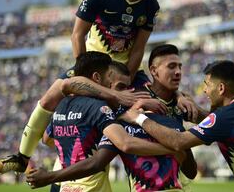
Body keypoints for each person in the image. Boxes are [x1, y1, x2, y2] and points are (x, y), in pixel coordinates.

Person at [0, 0, 181, 174]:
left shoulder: (151, 6)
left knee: (157, 101)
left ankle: (171, 158)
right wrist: (85, 74)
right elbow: (77, 35)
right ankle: (22, 157)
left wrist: (125, 81)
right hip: (93, 66)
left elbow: (139, 48)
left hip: (125, 69)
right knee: (49, 98)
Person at [26, 45, 198, 191]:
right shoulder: (101, 110)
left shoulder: (63, 106)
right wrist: (175, 146)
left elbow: (47, 139)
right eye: (118, 86)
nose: (125, 93)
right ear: (98, 80)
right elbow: (125, 144)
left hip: (65, 186)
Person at [120, 60, 234, 192]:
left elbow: (178, 142)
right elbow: (221, 124)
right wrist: (192, 108)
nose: (205, 90)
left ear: (221, 88)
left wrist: (139, 118)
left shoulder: (224, 118)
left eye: (207, 85)